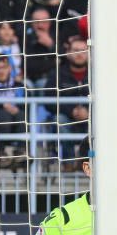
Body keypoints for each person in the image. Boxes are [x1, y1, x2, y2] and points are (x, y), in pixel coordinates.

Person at [46, 37, 90, 168]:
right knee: (59, 119)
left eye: (83, 50)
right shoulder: (57, 74)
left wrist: (88, 111)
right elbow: (49, 100)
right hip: (67, 117)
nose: (79, 54)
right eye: (75, 50)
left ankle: (90, 162)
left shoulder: (98, 73)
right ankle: (69, 162)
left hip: (92, 117)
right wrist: (72, 110)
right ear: (68, 52)